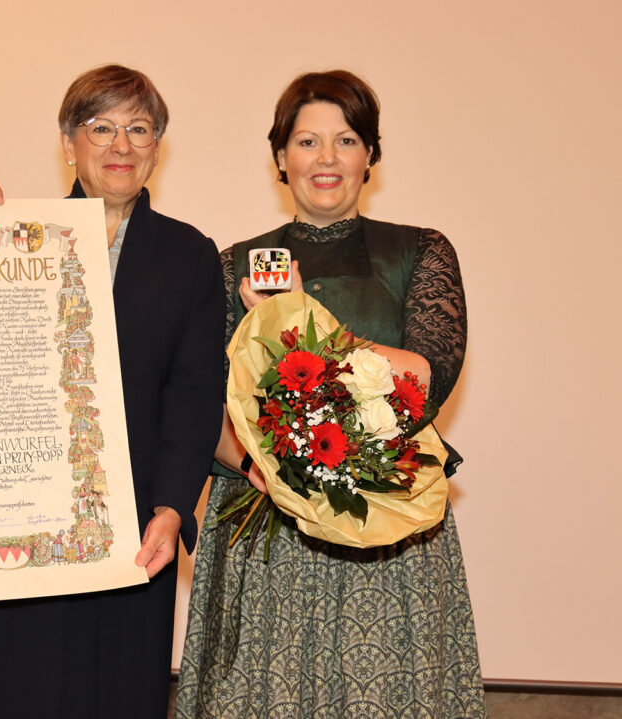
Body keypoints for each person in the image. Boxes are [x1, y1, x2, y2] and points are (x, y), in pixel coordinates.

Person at [177, 70, 486, 718]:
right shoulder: (228, 265)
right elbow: (199, 401)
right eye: (307, 141)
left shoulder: (420, 252)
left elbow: (426, 380)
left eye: (345, 140)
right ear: (279, 156)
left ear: (370, 155)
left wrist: (299, 320)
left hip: (388, 531)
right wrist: (260, 467)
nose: (325, 158)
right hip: (267, 533)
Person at [0, 65, 224, 719]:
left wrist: (172, 509)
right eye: (101, 128)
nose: (121, 145)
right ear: (69, 142)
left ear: (156, 146)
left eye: (139, 129)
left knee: (109, 694)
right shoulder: (7, 237)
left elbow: (195, 396)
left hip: (128, 531)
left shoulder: (189, 256)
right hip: (5, 517)